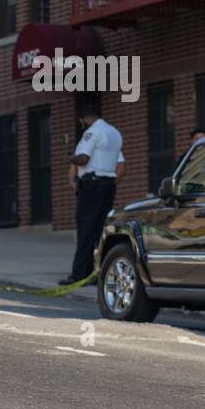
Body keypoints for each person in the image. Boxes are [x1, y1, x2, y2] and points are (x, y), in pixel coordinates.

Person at [62, 104, 124, 286]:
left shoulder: (92, 132)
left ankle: (80, 274)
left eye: (81, 122)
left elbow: (83, 158)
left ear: (85, 119)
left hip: (91, 186)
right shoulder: (114, 132)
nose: (81, 125)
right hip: (108, 185)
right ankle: (101, 272)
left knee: (86, 230)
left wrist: (70, 157)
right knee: (101, 231)